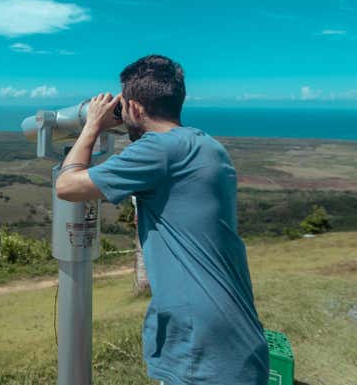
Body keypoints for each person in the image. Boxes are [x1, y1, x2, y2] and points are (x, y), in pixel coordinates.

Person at [56, 55, 269, 385]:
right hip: (235, 337)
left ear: (137, 109)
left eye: (124, 106)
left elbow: (67, 186)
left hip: (199, 344)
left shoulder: (159, 150)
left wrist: (92, 126)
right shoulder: (206, 145)